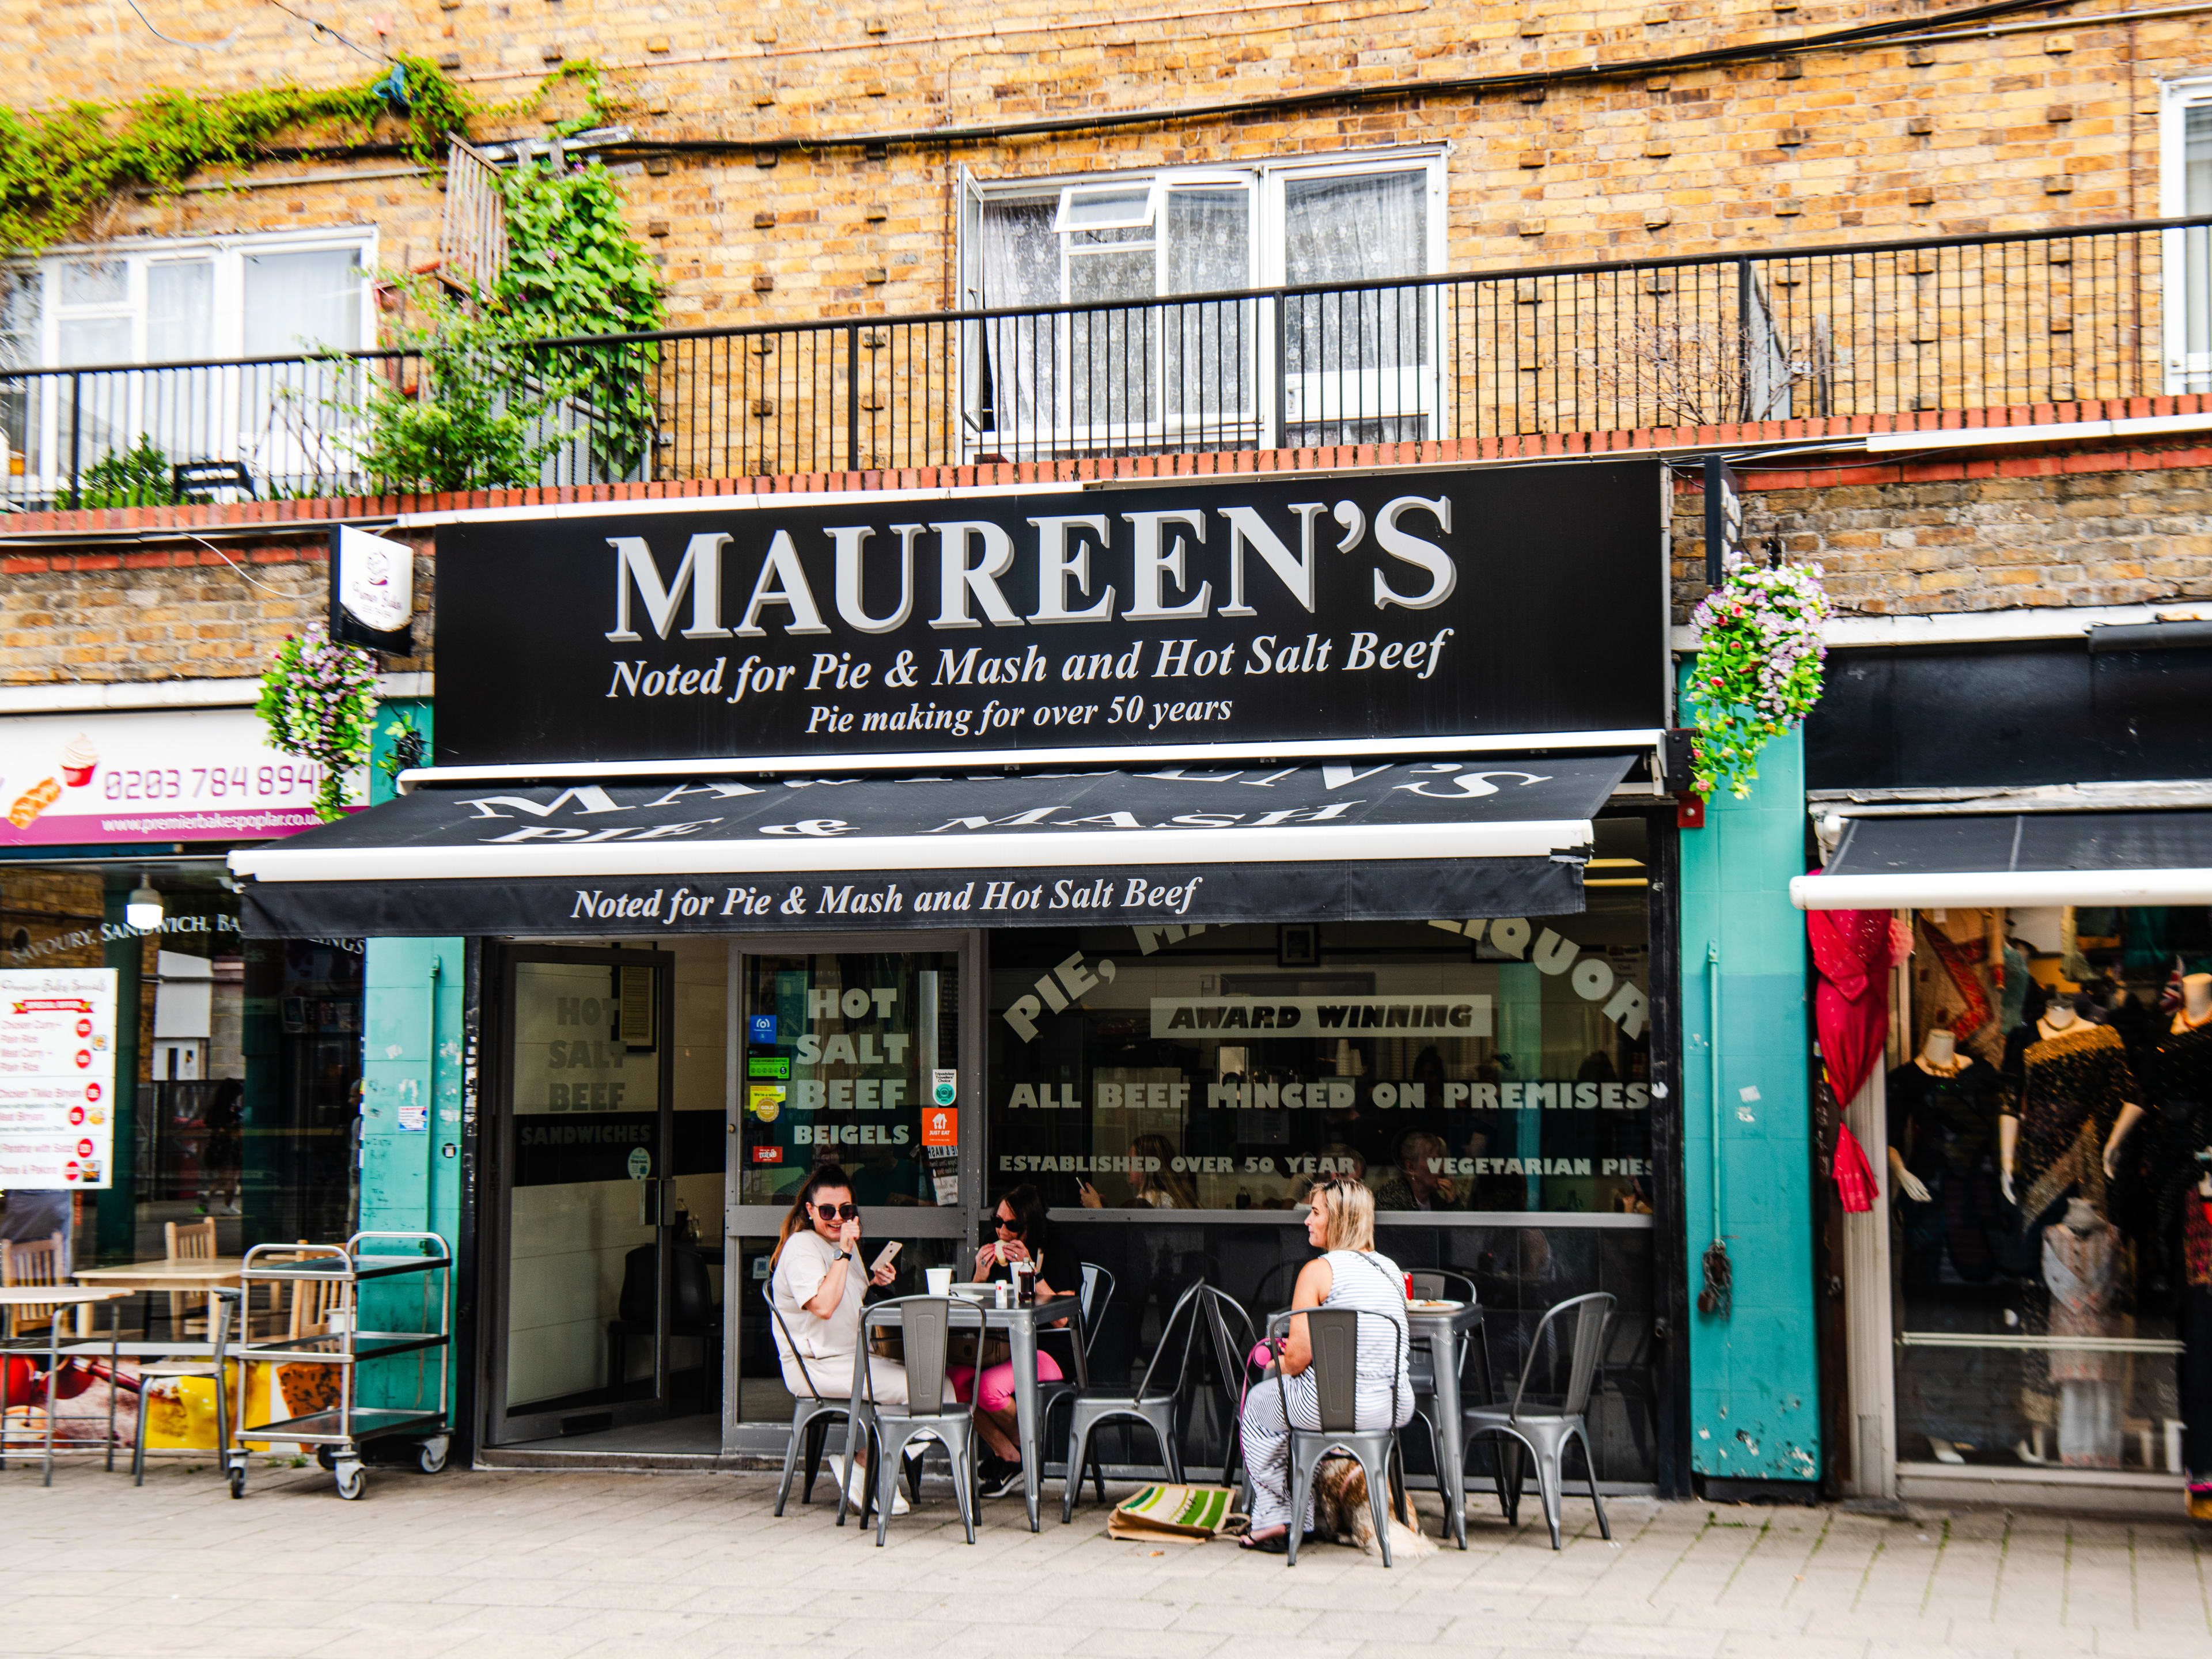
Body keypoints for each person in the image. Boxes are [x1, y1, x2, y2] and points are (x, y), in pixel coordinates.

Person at [1237, 1176, 1412, 1552]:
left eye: (1315, 1213)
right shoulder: (1392, 1271)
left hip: (1332, 1407)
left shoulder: (1318, 1271)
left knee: (1259, 1405)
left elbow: (1299, 1360)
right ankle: (1308, 1510)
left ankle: (1279, 1518)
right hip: (1391, 1406)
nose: (1307, 1221)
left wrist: (1272, 1362)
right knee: (1287, 1408)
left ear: (1339, 1219)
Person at [767, 1163, 905, 1512]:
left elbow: (846, 1295)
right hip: (816, 1365)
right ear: (811, 1211)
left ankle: (864, 1463)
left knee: (939, 1385)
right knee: (920, 1389)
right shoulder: (802, 1247)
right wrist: (844, 1251)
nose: (836, 1218)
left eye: (846, 1211)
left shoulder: (844, 1245)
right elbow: (825, 1306)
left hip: (851, 1356)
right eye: (827, 1211)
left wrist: (872, 1280)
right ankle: (870, 1469)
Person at [955, 1183, 1068, 1497]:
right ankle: (1012, 1455)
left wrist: (1031, 1269)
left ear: (1030, 1225)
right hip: (1002, 1347)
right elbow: (974, 1307)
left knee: (989, 1387)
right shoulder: (996, 1253)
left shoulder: (1058, 1249)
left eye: (1012, 1225)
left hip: (1051, 1350)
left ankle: (1024, 1455)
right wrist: (979, 1275)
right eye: (998, 1223)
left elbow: (1063, 1319)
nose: (1003, 1232)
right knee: (954, 1382)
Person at [1076, 1132, 1199, 1209]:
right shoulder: (1171, 1197)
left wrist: (1096, 1208)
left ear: (1145, 1165)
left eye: (1131, 1162)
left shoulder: (1150, 1200)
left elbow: (1124, 1241)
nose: (1128, 1168)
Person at [1373, 1127, 1459, 1212]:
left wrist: (1452, 1203)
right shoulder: (1390, 1200)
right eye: (1435, 1161)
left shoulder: (1434, 1199)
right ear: (1411, 1167)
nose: (1443, 1168)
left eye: (1443, 1161)